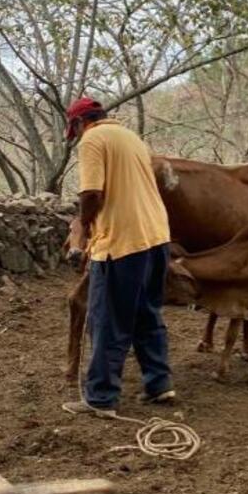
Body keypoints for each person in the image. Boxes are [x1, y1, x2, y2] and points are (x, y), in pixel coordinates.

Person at [61, 97, 175, 419]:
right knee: (147, 313)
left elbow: (91, 193)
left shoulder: (92, 140)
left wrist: (84, 225)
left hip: (121, 241)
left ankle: (100, 398)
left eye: (76, 129)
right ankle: (160, 384)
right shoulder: (131, 138)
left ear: (80, 124)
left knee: (108, 319)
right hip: (156, 236)